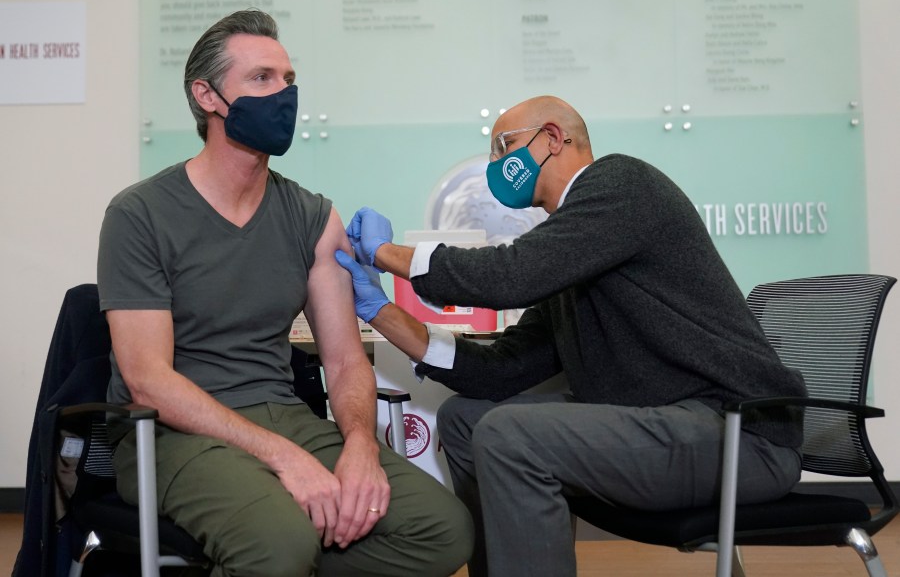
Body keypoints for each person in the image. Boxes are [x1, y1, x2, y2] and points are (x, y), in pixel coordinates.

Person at [334, 95, 807, 576]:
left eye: (504, 148)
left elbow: (506, 277)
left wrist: (385, 254)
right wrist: (379, 310)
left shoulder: (622, 185)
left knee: (508, 434)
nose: (496, 166)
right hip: (667, 423)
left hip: (737, 435)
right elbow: (499, 371)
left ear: (553, 138)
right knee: (465, 419)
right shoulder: (579, 249)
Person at [97, 10, 472, 577]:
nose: (283, 95)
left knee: (443, 531)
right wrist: (282, 458)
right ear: (207, 95)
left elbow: (346, 360)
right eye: (261, 79)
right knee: (280, 544)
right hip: (174, 433)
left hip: (286, 416)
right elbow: (148, 379)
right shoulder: (140, 215)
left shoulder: (312, 216)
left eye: (288, 80)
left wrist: (361, 449)